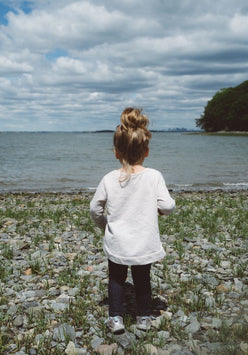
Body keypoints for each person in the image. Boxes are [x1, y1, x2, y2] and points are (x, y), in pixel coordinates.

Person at [90, 107, 175, 334]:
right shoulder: (154, 176)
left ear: (116, 152)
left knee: (116, 279)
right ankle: (144, 317)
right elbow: (167, 205)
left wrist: (105, 224)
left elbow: (94, 208)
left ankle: (116, 319)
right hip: (143, 241)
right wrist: (159, 212)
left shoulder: (110, 178)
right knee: (142, 278)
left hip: (118, 241)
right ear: (146, 151)